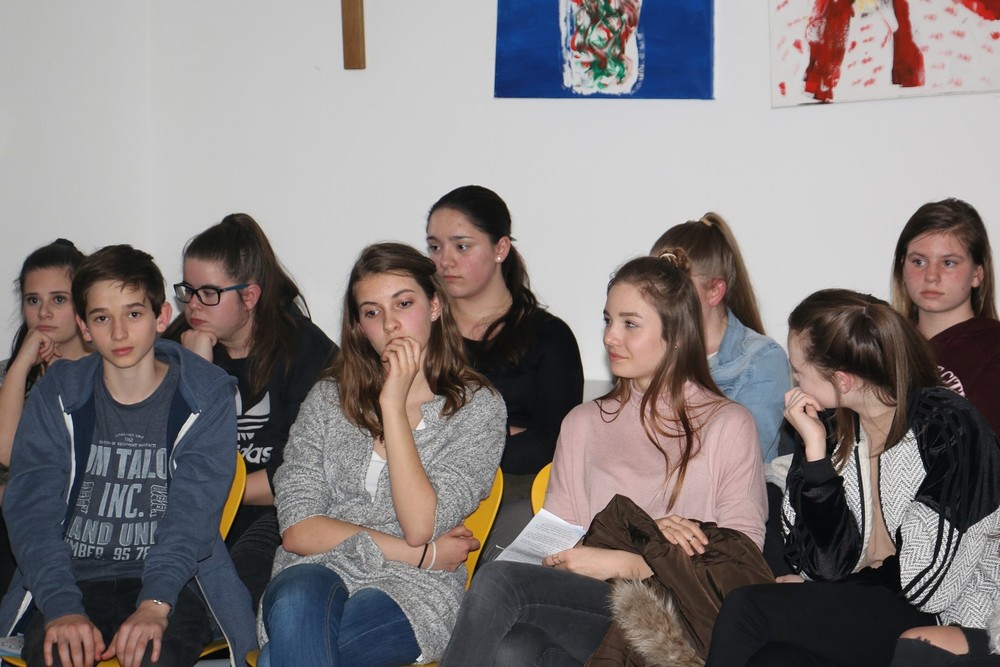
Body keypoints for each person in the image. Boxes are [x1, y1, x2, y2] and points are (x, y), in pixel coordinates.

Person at [438, 252, 768, 666]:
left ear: (677, 334)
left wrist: (630, 562)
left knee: (500, 582)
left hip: (678, 618)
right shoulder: (583, 423)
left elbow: (742, 559)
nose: (611, 337)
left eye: (630, 324)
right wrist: (567, 557)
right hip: (593, 607)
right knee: (514, 649)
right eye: (608, 320)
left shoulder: (728, 424)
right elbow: (560, 536)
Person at [705, 289, 1000, 667]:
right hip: (869, 599)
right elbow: (821, 564)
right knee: (776, 659)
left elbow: (927, 583)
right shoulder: (831, 426)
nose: (793, 383)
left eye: (798, 371)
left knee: (748, 608)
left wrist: (835, 587)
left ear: (841, 380)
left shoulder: (949, 426)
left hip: (944, 613)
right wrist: (815, 456)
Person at [0, 245, 255, 667]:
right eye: (102, 318)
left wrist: (155, 603)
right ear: (84, 327)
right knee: (58, 653)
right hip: (71, 581)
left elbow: (193, 515)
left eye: (133, 314)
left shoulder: (205, 395)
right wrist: (62, 607)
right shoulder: (57, 393)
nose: (118, 333)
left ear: (161, 317)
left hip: (172, 585)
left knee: (153, 654)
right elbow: (31, 511)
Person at [256, 242, 506, 667]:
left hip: (413, 590)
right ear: (359, 327)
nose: (390, 324)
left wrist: (393, 405)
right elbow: (298, 530)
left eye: (404, 304)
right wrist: (422, 554)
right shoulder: (327, 399)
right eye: (372, 312)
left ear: (434, 306)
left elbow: (420, 524)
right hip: (318, 570)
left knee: (281, 656)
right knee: (300, 596)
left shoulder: (478, 407)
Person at [164, 213, 336, 609]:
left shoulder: (304, 350)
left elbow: (305, 473)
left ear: (250, 296)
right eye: (187, 290)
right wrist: (195, 371)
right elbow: (160, 456)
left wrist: (212, 489)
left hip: (276, 515)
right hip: (198, 513)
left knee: (238, 585)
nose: (193, 304)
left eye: (209, 293)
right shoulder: (176, 348)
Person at [426, 185, 584, 558]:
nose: (444, 260)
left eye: (461, 246)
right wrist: (501, 431)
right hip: (423, 486)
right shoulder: (420, 330)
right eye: (434, 247)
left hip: (515, 491)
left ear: (500, 248)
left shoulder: (550, 337)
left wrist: (459, 439)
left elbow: (551, 444)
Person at [651, 212, 789, 464]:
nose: (659, 300)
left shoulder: (761, 360)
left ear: (715, 291)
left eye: (675, 288)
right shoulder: (649, 346)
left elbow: (743, 463)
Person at [0, 240, 89, 592]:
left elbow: (14, 457)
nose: (44, 313)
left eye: (59, 299)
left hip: (72, 525)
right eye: (33, 300)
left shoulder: (105, 372)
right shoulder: (11, 373)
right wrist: (22, 365)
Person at [891, 197, 1000, 434]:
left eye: (949, 262)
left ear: (977, 274)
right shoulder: (881, 343)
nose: (931, 276)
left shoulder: (993, 347)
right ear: (902, 266)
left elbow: (981, 443)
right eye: (919, 261)